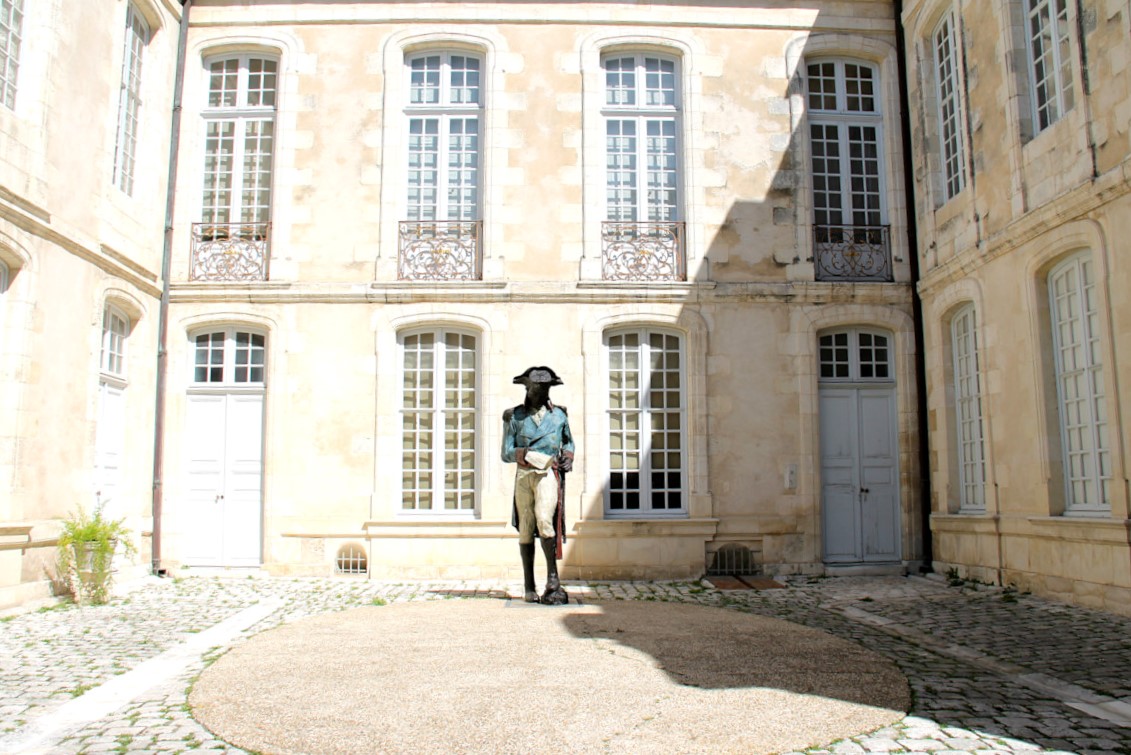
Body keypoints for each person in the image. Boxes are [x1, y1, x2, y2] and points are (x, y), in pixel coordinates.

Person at [501, 366, 574, 604]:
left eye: (545, 388)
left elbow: (568, 442)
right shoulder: (514, 416)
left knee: (544, 519)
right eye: (536, 388)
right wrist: (522, 453)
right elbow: (506, 452)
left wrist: (568, 457)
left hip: (546, 473)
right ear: (527, 388)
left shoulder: (560, 415)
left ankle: (553, 579)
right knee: (526, 525)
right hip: (524, 475)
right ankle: (529, 584)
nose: (541, 392)